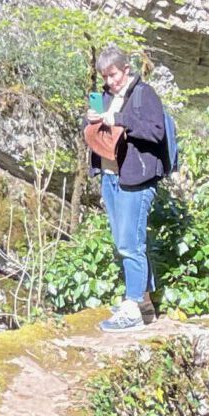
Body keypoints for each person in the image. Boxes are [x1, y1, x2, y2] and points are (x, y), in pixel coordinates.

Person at [85, 47, 167, 333]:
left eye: (114, 75)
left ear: (126, 69)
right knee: (127, 241)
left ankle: (132, 309)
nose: (110, 81)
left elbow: (156, 132)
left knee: (128, 244)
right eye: (105, 77)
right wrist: (94, 120)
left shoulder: (145, 94)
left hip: (137, 180)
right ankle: (144, 304)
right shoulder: (107, 97)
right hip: (111, 178)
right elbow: (104, 136)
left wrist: (120, 119)